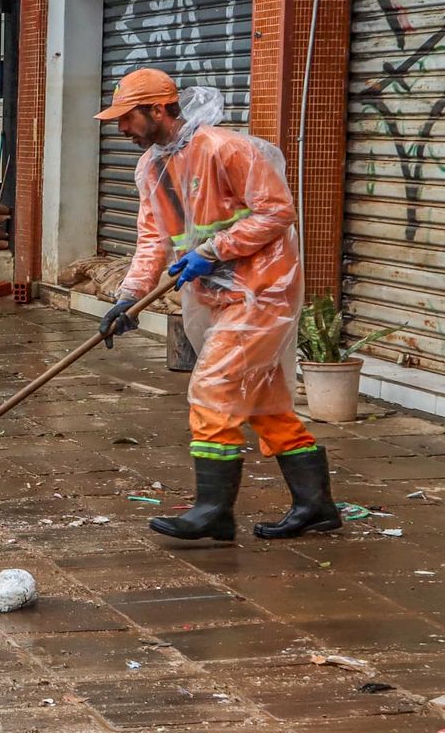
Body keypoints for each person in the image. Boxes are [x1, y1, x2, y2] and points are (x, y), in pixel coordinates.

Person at [97, 68, 337, 542]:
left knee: (213, 388)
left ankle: (212, 511)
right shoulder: (151, 166)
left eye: (127, 118)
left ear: (159, 109)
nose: (121, 128)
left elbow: (277, 211)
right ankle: (317, 505)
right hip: (216, 295)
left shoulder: (228, 148)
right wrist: (128, 298)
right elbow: (152, 240)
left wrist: (212, 251)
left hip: (263, 290)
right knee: (263, 402)